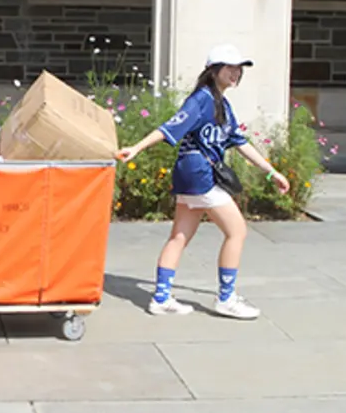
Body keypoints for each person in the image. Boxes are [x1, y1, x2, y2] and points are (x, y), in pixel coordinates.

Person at [116, 43, 290, 319]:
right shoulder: (201, 99)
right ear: (214, 70)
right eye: (230, 67)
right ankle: (227, 298)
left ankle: (161, 298)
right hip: (199, 172)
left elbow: (240, 142)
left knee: (180, 236)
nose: (236, 73)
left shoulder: (221, 103)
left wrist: (271, 172)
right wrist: (136, 148)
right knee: (237, 231)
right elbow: (171, 127)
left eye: (239, 68)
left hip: (192, 173)